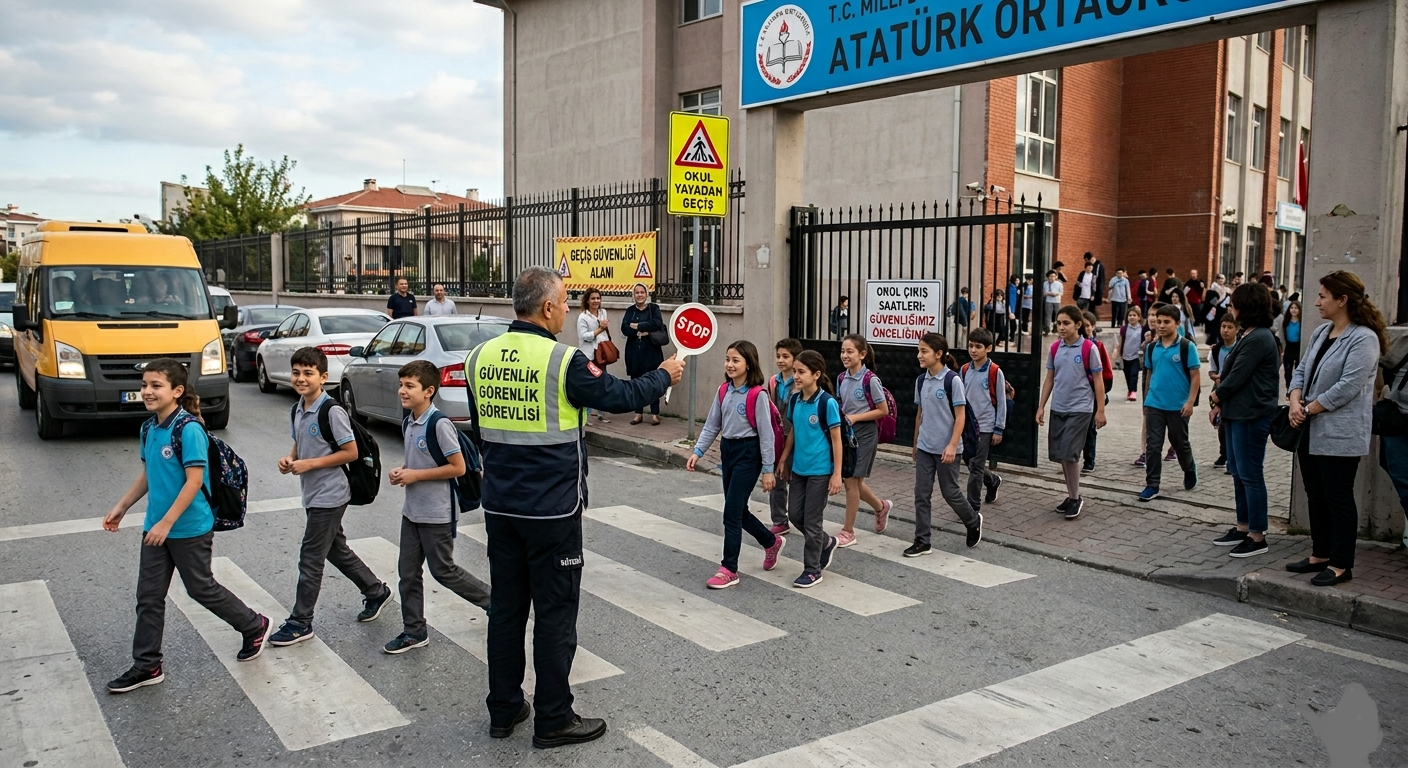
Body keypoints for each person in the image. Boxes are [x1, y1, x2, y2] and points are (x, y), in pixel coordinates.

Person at [467, 266, 683, 748]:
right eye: (564, 302)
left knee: (505, 611)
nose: (567, 309)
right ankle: (553, 718)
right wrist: (662, 374)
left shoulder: (479, 356)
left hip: (500, 507)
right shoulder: (562, 361)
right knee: (555, 614)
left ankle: (503, 711)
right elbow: (623, 396)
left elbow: (482, 432)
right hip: (553, 512)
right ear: (546, 308)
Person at [102, 359, 269, 694]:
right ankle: (147, 664)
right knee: (148, 596)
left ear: (176, 391)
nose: (147, 391)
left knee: (200, 588)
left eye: (156, 386)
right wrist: (122, 507)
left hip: (189, 527)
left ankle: (254, 625)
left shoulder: (188, 429)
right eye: (145, 385)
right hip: (156, 527)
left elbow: (193, 482)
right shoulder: (150, 428)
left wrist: (166, 523)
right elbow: (149, 474)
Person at [268, 347, 391, 648]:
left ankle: (300, 622)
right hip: (312, 493)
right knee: (336, 550)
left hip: (332, 494)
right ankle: (376, 591)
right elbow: (300, 443)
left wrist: (308, 464)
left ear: (323, 377)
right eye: (296, 372)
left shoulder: (331, 411)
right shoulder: (297, 408)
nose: (300, 378)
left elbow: (350, 452)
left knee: (310, 557)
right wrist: (290, 459)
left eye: (308, 373)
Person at [1285, 271, 1387, 586]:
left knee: (1337, 497)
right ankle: (1320, 553)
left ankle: (1342, 564)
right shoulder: (1321, 332)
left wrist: (1310, 407)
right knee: (1315, 493)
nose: (1316, 302)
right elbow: (1300, 369)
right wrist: (1293, 401)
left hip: (1339, 432)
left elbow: (1350, 386)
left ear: (1342, 300)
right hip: (1310, 429)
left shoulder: (1363, 338)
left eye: (1322, 296)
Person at [383, 360, 491, 656]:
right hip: (412, 511)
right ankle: (414, 631)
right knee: (407, 573)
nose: (402, 391)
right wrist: (403, 470)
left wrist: (414, 475)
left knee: (444, 570)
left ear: (429, 391)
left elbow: (456, 468)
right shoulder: (409, 422)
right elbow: (420, 461)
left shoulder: (438, 424)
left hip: (437, 512)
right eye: (401, 384)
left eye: (409, 386)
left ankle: (494, 602)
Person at [687, 341, 785, 589]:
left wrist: (767, 470)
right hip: (728, 451)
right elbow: (712, 425)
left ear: (748, 364)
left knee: (731, 511)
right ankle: (770, 542)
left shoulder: (757, 394)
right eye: (727, 359)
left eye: (736, 360)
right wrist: (698, 451)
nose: (730, 364)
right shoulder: (723, 391)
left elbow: (766, 434)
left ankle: (729, 568)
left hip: (749, 453)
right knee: (738, 510)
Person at [1207, 282, 1281, 559]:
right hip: (1237, 413)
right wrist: (1221, 404)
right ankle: (1243, 526)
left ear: (1246, 308)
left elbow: (1236, 377)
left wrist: (1215, 398)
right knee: (1238, 472)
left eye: (1234, 303)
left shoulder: (1260, 337)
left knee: (1250, 474)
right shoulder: (1248, 335)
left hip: (1252, 414)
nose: (1230, 307)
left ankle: (1257, 534)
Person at [908, 333, 983, 557]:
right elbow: (919, 414)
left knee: (950, 492)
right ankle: (922, 541)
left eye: (924, 351)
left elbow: (960, 417)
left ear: (938, 354)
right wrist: (915, 444)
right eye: (919, 350)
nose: (919, 355)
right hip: (925, 447)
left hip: (947, 449)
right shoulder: (921, 380)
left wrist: (952, 445)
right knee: (921, 494)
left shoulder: (953, 380)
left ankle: (972, 520)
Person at [777, 350, 843, 588]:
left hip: (820, 470)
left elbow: (837, 440)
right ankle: (825, 542)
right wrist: (784, 459)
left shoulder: (827, 403)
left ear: (816, 374)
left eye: (801, 372)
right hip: (799, 469)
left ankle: (812, 570)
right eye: (795, 371)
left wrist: (836, 474)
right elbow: (794, 431)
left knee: (812, 520)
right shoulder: (795, 400)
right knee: (795, 515)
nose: (796, 376)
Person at [1036, 305, 1107, 519]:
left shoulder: (1088, 348)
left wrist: (1100, 410)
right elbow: (1050, 378)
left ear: (1078, 324)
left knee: (1070, 453)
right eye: (1059, 323)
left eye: (1066, 323)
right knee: (1061, 455)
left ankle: (1076, 498)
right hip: (1059, 407)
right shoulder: (1056, 348)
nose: (1061, 327)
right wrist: (1041, 406)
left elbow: (1098, 380)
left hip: (1081, 409)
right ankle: (1071, 494)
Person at [1137, 305, 1201, 502]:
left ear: (1177, 323)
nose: (1161, 325)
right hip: (1155, 404)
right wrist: (1146, 400)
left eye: (1166, 322)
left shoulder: (1186, 347)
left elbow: (1196, 376)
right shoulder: (1150, 348)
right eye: (1158, 321)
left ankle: (1189, 469)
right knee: (1153, 446)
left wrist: (1190, 402)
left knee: (1180, 444)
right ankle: (1152, 484)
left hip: (1178, 406)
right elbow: (1148, 374)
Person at [836, 334, 893, 546]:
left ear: (862, 354)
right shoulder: (842, 378)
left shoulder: (870, 380)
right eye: (843, 351)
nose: (845, 355)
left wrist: (856, 417)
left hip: (866, 433)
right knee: (854, 481)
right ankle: (881, 507)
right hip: (848, 434)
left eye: (850, 351)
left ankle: (848, 531)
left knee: (851, 481)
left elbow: (883, 410)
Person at [960, 328, 1006, 513]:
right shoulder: (964, 370)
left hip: (985, 425)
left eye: (978, 347)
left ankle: (972, 507)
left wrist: (998, 429)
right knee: (970, 462)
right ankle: (993, 481)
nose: (973, 350)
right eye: (971, 346)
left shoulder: (995, 372)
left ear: (988, 348)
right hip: (966, 426)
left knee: (976, 467)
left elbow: (1001, 402)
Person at [767, 338, 804, 537]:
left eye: (785, 356)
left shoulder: (800, 382)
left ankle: (801, 515)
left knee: (796, 477)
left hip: (797, 437)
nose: (781, 360)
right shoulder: (774, 381)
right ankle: (780, 520)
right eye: (778, 356)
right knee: (776, 479)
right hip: (778, 436)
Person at [1377, 336, 1408, 552]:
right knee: (1399, 475)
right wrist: (1385, 392)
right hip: (1397, 418)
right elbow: (1383, 366)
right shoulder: (1405, 340)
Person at [622, 283, 666, 425]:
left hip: (651, 352)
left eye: (642, 292)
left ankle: (654, 414)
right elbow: (624, 329)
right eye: (637, 292)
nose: (640, 295)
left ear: (647, 294)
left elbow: (657, 323)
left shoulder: (654, 308)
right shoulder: (630, 310)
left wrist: (637, 326)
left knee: (653, 382)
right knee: (636, 382)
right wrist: (643, 329)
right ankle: (638, 413)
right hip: (634, 352)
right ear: (633, 295)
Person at [1079, 310, 1115, 473]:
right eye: (1082, 325)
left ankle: (1089, 460)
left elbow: (1107, 373)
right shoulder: (1074, 345)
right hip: (1076, 393)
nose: (1085, 329)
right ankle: (1072, 457)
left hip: (1093, 393)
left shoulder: (1097, 346)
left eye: (1088, 325)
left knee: (1089, 428)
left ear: (1093, 327)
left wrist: (1100, 392)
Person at [576, 288, 613, 423]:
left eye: (598, 298)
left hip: (601, 353)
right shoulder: (583, 317)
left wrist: (603, 328)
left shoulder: (603, 312)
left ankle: (601, 413)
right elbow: (584, 336)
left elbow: (604, 334)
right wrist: (599, 329)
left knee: (602, 382)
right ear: (587, 300)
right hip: (588, 355)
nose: (596, 301)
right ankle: (586, 414)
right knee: (589, 385)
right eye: (593, 298)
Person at [1208, 314, 1240, 469]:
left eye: (1230, 327)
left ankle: (1233, 457)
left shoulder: (1241, 347)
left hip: (1234, 390)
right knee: (1221, 425)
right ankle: (1224, 453)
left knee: (1232, 424)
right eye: (1223, 327)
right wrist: (1215, 377)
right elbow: (1212, 371)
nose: (1225, 331)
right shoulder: (1216, 349)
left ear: (1237, 329)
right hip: (1219, 389)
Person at [1114, 306, 1146, 402]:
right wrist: (1118, 352)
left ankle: (1133, 391)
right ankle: (1130, 389)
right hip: (1125, 355)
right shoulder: (1124, 329)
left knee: (1133, 374)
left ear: (1139, 317)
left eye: (1134, 315)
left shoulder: (1142, 329)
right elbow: (1121, 341)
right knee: (1127, 374)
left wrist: (1142, 352)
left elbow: (1143, 342)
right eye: (1130, 315)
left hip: (1136, 356)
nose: (1132, 317)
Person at [1275, 300, 1303, 388]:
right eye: (1292, 308)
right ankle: (1288, 388)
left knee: (1298, 370)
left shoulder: (1302, 322)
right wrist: (1282, 347)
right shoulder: (1285, 321)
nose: (1293, 310)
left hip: (1298, 348)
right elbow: (1282, 335)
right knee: (1287, 370)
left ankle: (1297, 388)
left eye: (1296, 308)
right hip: (1288, 347)